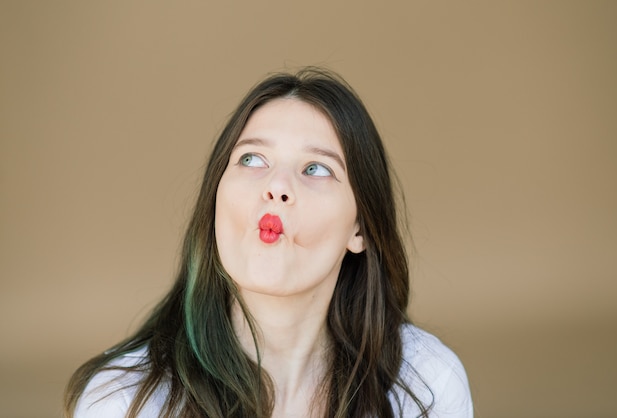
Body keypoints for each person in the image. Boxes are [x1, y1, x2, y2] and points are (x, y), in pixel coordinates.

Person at [64, 67, 473, 418]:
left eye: (315, 168)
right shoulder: (124, 402)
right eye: (252, 159)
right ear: (216, 198)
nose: (277, 186)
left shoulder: (427, 385)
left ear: (360, 230)